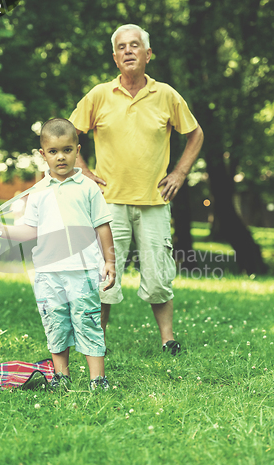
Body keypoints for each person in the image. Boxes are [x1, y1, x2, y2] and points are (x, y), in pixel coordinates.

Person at [69, 24, 204, 356]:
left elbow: (195, 134)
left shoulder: (167, 95)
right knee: (104, 278)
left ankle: (167, 339)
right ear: (116, 58)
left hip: (155, 201)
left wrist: (180, 172)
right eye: (122, 47)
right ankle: (96, 340)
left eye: (135, 45)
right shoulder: (99, 95)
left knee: (158, 275)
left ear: (148, 54)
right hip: (107, 204)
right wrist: (84, 171)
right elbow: (68, 136)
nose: (129, 50)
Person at [0, 118, 116, 391]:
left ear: (78, 150)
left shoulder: (88, 187)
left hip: (83, 270)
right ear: (43, 155)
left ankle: (97, 380)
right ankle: (60, 377)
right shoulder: (37, 191)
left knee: (88, 321)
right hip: (47, 272)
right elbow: (29, 230)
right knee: (55, 323)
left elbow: (102, 225)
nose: (61, 157)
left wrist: (109, 261)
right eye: (53, 151)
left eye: (67, 150)